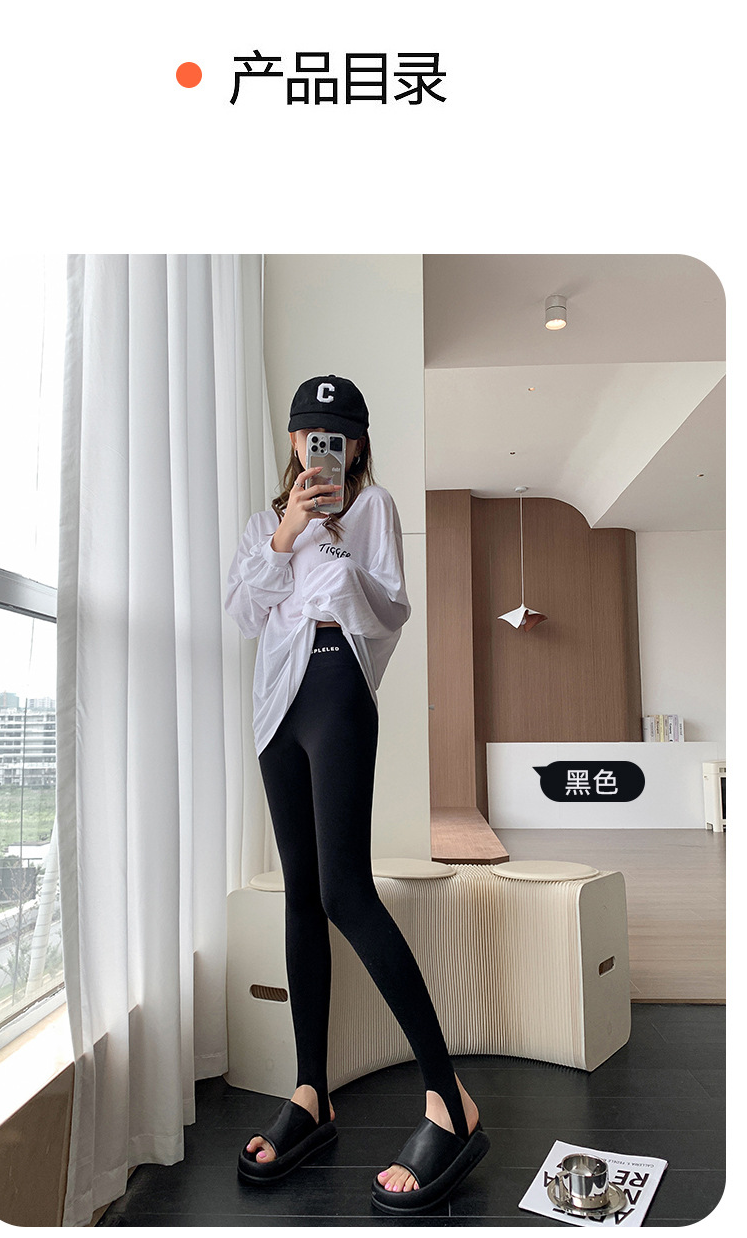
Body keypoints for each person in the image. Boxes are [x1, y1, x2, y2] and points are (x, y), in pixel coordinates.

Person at [224, 375, 490, 1213]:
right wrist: (287, 535)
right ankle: (312, 1093)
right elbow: (243, 612)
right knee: (302, 893)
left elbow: (390, 609)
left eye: (337, 435)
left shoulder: (373, 510)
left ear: (358, 445)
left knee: (345, 889)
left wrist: (330, 559)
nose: (323, 447)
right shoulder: (265, 525)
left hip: (337, 683)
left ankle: (449, 1096)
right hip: (275, 705)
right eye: (311, 433)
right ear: (294, 441)